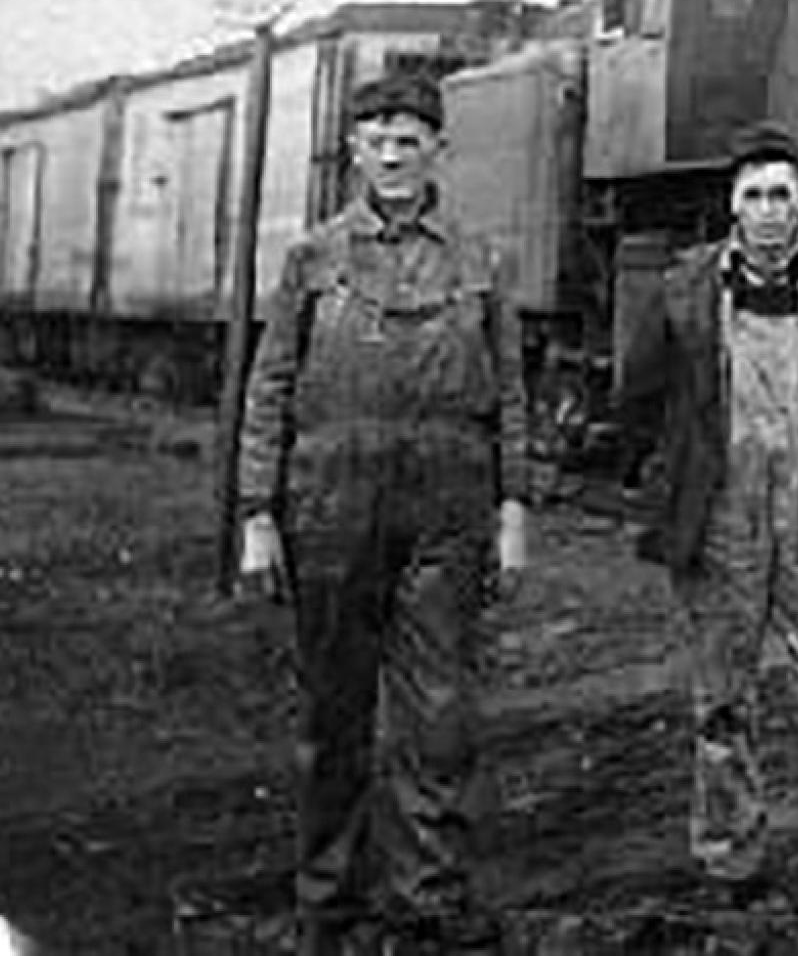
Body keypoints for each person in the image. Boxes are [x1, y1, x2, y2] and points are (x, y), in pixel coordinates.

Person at [236, 70, 529, 955]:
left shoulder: (481, 259)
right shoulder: (312, 257)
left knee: (439, 717)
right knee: (334, 715)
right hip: (330, 507)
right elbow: (269, 387)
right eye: (378, 140)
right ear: (354, 150)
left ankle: (427, 897)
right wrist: (257, 512)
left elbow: (510, 395)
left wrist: (514, 507)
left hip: (448, 510)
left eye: (410, 139)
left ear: (438, 148)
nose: (394, 155)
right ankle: (327, 899)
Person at [614, 122, 798, 910]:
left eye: (783, 193)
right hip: (722, 515)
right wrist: (674, 483)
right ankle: (730, 859)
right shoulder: (683, 290)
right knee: (722, 697)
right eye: (754, 195)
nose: (769, 209)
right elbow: (640, 397)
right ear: (732, 205)